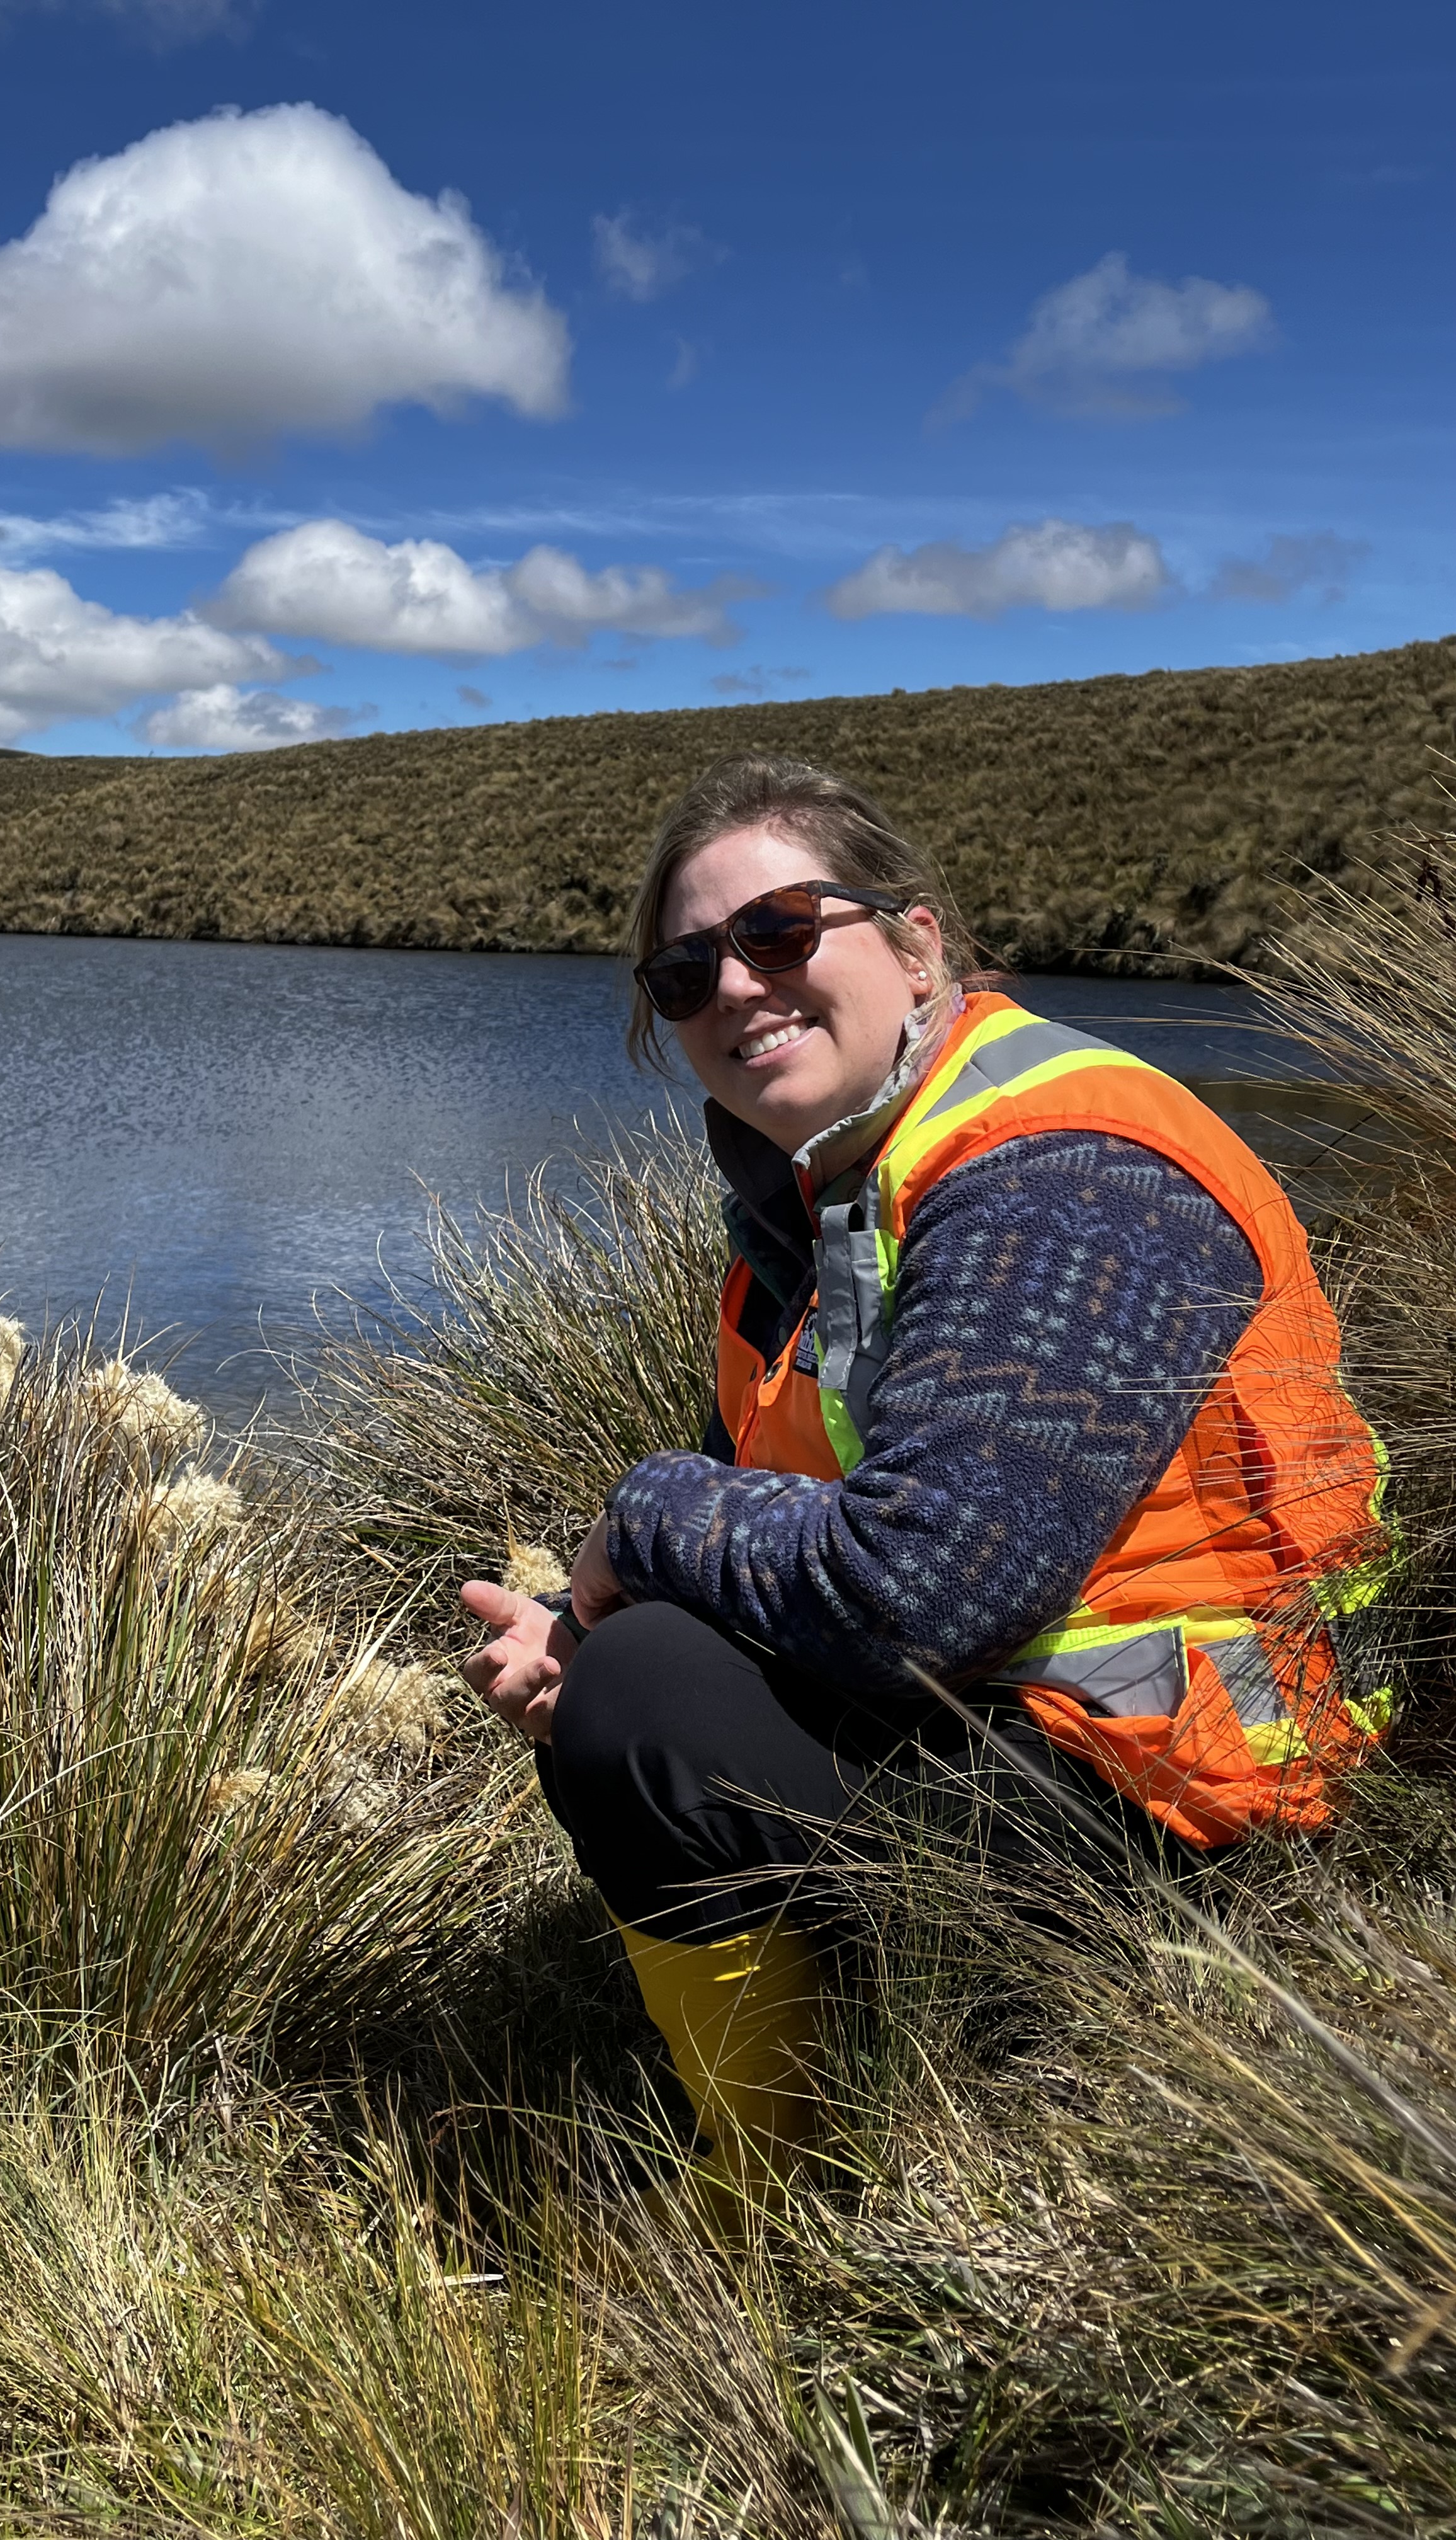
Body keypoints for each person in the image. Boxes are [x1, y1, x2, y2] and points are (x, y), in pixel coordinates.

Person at [459, 753, 1389, 2200]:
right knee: (632, 1674)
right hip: (1036, 1724)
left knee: (652, 1693)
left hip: (1199, 1795)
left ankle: (786, 2195)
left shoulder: (1061, 1167)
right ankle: (817, 2119)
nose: (737, 987)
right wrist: (572, 1634)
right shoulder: (826, 1190)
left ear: (914, 942)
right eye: (686, 970)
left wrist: (637, 1529)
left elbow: (919, 1591)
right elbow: (776, 1511)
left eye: (778, 931)